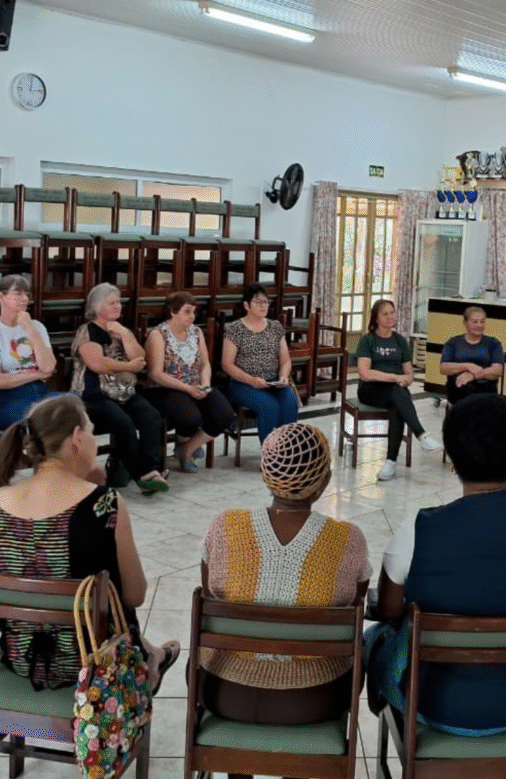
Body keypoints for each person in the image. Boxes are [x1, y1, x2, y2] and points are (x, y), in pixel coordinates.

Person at [365, 394, 506, 734]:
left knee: (377, 636)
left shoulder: (420, 531)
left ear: (452, 459)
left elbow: (391, 610)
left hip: (439, 706)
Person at [0, 394, 179, 690]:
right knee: (114, 595)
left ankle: (153, 655)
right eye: (92, 432)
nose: (95, 442)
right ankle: (151, 659)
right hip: (94, 666)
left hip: (20, 658)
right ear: (76, 437)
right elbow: (134, 596)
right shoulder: (105, 503)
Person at [199, 423, 370, 730]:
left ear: (266, 476)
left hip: (224, 691)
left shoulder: (224, 527)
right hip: (315, 698)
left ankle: (238, 771)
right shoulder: (348, 540)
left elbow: (210, 599)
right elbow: (354, 610)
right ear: (324, 481)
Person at [71, 283, 168, 494]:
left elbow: (141, 358)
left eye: (119, 302)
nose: (118, 306)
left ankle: (151, 470)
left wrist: (125, 333)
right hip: (95, 395)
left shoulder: (121, 330)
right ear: (97, 306)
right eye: (111, 303)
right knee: (124, 424)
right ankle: (141, 474)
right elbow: (96, 363)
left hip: (125, 394)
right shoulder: (88, 330)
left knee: (152, 417)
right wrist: (128, 367)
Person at [145, 291, 235, 472]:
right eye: (187, 312)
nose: (192, 316)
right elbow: (155, 373)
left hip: (196, 384)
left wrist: (205, 384)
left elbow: (205, 363)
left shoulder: (196, 332)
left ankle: (187, 448)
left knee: (224, 414)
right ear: (173, 312)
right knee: (190, 417)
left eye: (193, 312)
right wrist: (187, 388)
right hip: (167, 387)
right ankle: (185, 450)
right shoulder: (158, 334)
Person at [355, 299, 441, 483]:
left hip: (394, 390)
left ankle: (391, 463)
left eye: (392, 313)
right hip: (370, 389)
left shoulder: (400, 341)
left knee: (397, 403)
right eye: (385, 314)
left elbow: (409, 372)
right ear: (376, 318)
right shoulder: (367, 340)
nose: (390, 317)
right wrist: (394, 377)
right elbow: (365, 373)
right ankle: (422, 435)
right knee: (397, 394)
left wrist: (407, 379)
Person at [0, 274, 64, 430]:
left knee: (75, 407)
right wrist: (37, 374)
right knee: (39, 418)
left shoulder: (37, 327)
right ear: (1, 297)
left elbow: (48, 367)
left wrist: (30, 329)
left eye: (27, 294)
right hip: (6, 399)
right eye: (18, 294)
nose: (25, 299)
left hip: (39, 391)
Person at [221, 283, 301, 443]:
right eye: (258, 302)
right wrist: (251, 380)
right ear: (246, 305)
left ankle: (287, 451)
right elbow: (227, 364)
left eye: (266, 302)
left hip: (273, 382)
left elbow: (285, 359)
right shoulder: (235, 329)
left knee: (290, 403)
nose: (263, 305)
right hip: (243, 384)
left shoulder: (275, 327)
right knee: (269, 406)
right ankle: (270, 455)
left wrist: (284, 376)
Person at [438, 305, 505, 406]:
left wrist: (472, 376)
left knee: (481, 398)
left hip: (485, 387)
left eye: (482, 321)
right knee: (467, 391)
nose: (479, 325)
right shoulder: (453, 343)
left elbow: (497, 370)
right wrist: (468, 366)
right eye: (475, 322)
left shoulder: (493, 343)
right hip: (459, 386)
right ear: (465, 323)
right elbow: (444, 368)